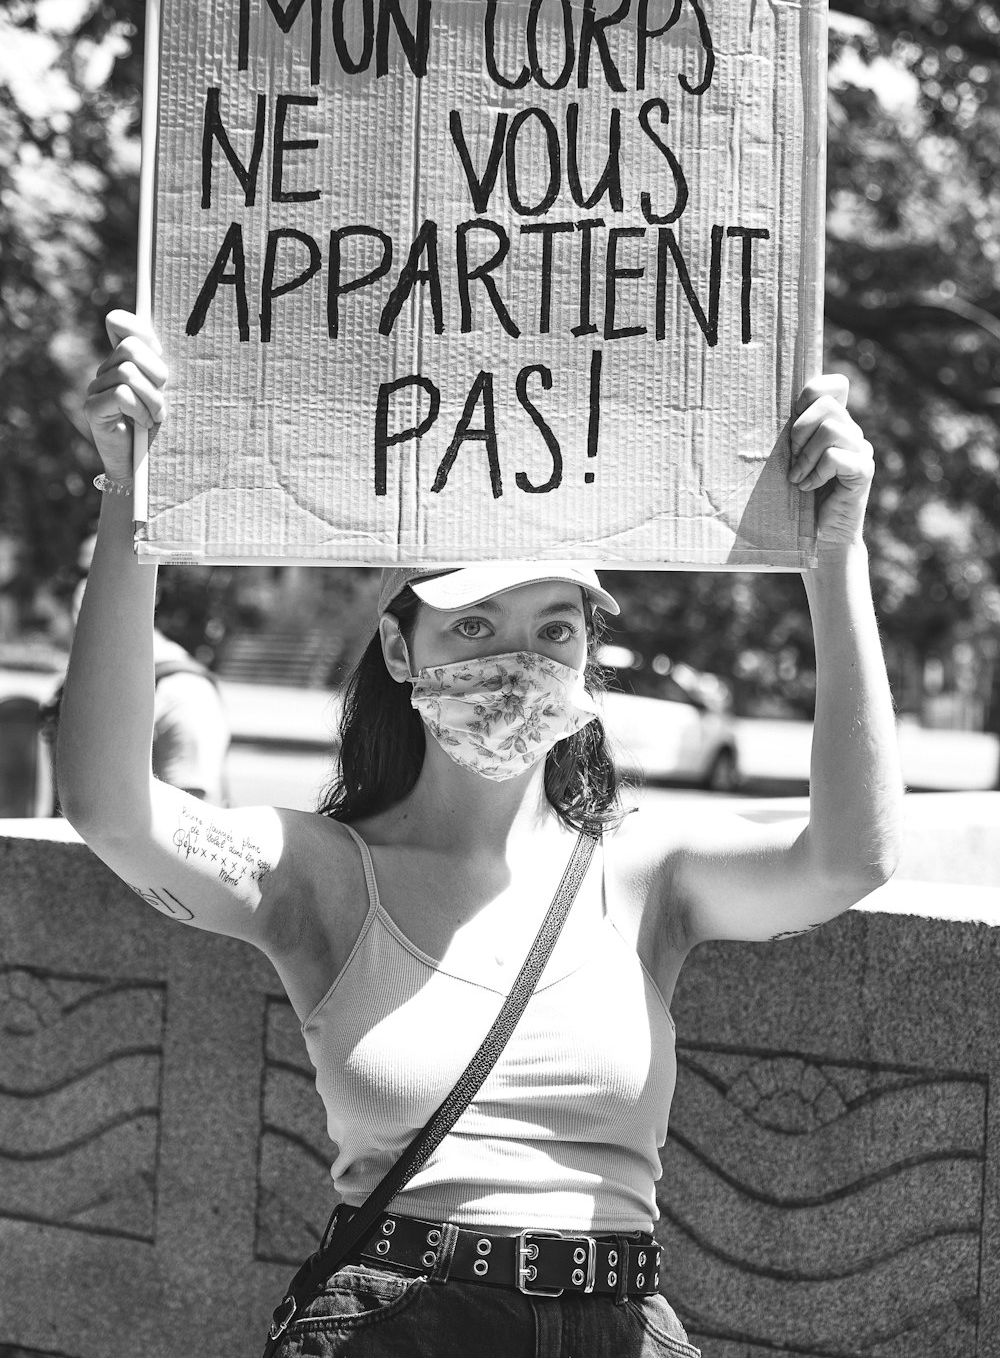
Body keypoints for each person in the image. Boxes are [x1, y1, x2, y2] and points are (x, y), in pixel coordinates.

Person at [56, 310, 902, 1358]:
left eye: (554, 629)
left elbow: (851, 855)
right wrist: (132, 502)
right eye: (472, 626)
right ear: (400, 654)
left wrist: (835, 554)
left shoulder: (647, 876)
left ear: (590, 654)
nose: (518, 660)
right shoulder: (323, 876)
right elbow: (110, 810)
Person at [40, 532, 230, 809]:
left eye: (109, 573)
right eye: (80, 575)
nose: (86, 588)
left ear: (153, 592)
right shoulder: (75, 681)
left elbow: (192, 823)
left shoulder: (184, 692)